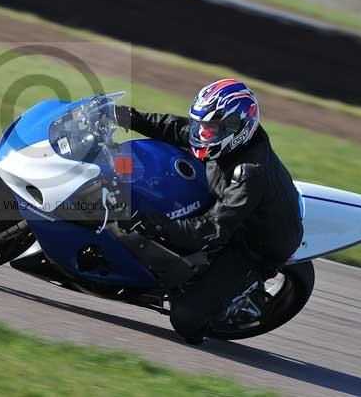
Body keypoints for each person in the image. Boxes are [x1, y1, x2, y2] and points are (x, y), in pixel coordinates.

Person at [114, 79, 303, 344]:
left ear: (235, 127)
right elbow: (173, 127)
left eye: (210, 127)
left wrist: (151, 224)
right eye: (201, 125)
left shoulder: (250, 173)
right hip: (228, 205)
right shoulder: (226, 141)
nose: (203, 133)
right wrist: (123, 116)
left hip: (252, 245)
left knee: (186, 320)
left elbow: (213, 231)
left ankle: (241, 295)